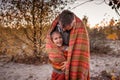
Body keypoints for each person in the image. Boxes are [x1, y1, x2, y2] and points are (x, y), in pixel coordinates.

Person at [46, 10, 90, 80]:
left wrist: (69, 63)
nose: (63, 30)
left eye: (66, 28)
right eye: (61, 27)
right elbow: (50, 42)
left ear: (73, 22)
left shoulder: (80, 27)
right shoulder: (55, 26)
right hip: (58, 63)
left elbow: (79, 50)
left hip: (70, 56)